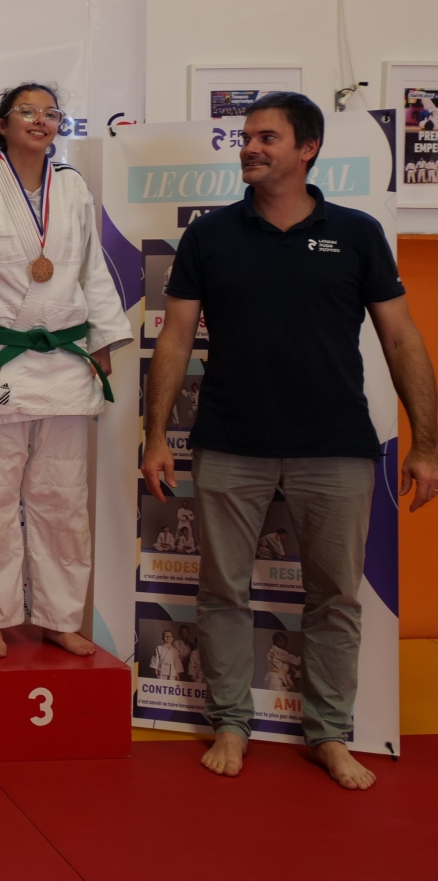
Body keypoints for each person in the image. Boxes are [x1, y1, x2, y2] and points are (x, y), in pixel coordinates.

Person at [143, 91, 438, 791]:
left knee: (335, 597)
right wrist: (155, 436)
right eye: (247, 137)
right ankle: (230, 723)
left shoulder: (359, 233)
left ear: (308, 149)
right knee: (222, 592)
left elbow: (401, 339)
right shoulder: (210, 235)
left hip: (336, 446)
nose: (249, 147)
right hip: (229, 442)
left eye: (266, 137)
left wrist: (427, 444)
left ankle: (330, 734)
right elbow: (175, 339)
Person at [0, 83, 131, 659]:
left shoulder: (72, 186)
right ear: (2, 124)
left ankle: (60, 617)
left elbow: (92, 267)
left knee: (63, 498)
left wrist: (101, 338)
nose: (40, 121)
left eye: (50, 114)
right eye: (27, 112)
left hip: (64, 358)